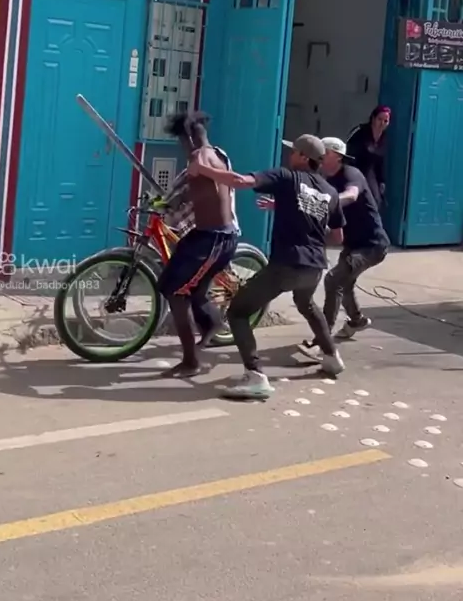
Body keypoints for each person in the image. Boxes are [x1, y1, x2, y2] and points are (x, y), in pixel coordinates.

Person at [188, 134, 346, 399]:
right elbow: (338, 237)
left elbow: (240, 181)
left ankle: (255, 376)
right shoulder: (330, 192)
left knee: (239, 312)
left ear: (303, 157)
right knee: (306, 303)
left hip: (287, 264)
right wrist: (311, 233)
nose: (289, 155)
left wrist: (203, 169)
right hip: (315, 267)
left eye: (293, 152)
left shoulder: (286, 177)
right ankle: (332, 357)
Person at [156, 112, 239, 377]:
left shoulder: (201, 157)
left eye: (183, 140)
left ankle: (191, 361)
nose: (183, 148)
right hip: (210, 236)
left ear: (191, 138)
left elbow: (198, 166)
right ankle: (212, 324)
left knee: (174, 290)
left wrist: (197, 159)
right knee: (196, 290)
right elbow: (188, 193)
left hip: (214, 239)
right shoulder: (217, 156)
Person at [302, 136, 389, 352]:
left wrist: (326, 201)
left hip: (372, 245)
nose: (319, 156)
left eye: (324, 152)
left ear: (337, 156)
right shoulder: (324, 178)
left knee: (334, 281)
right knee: (345, 283)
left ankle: (323, 341)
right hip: (352, 244)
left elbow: (351, 196)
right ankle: (357, 321)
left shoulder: (352, 174)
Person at [346, 106, 391, 210]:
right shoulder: (360, 132)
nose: (382, 123)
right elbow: (348, 152)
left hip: (369, 171)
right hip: (354, 169)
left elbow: (380, 161)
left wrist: (381, 181)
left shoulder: (384, 138)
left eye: (386, 121)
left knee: (375, 200)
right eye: (380, 119)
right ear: (373, 118)